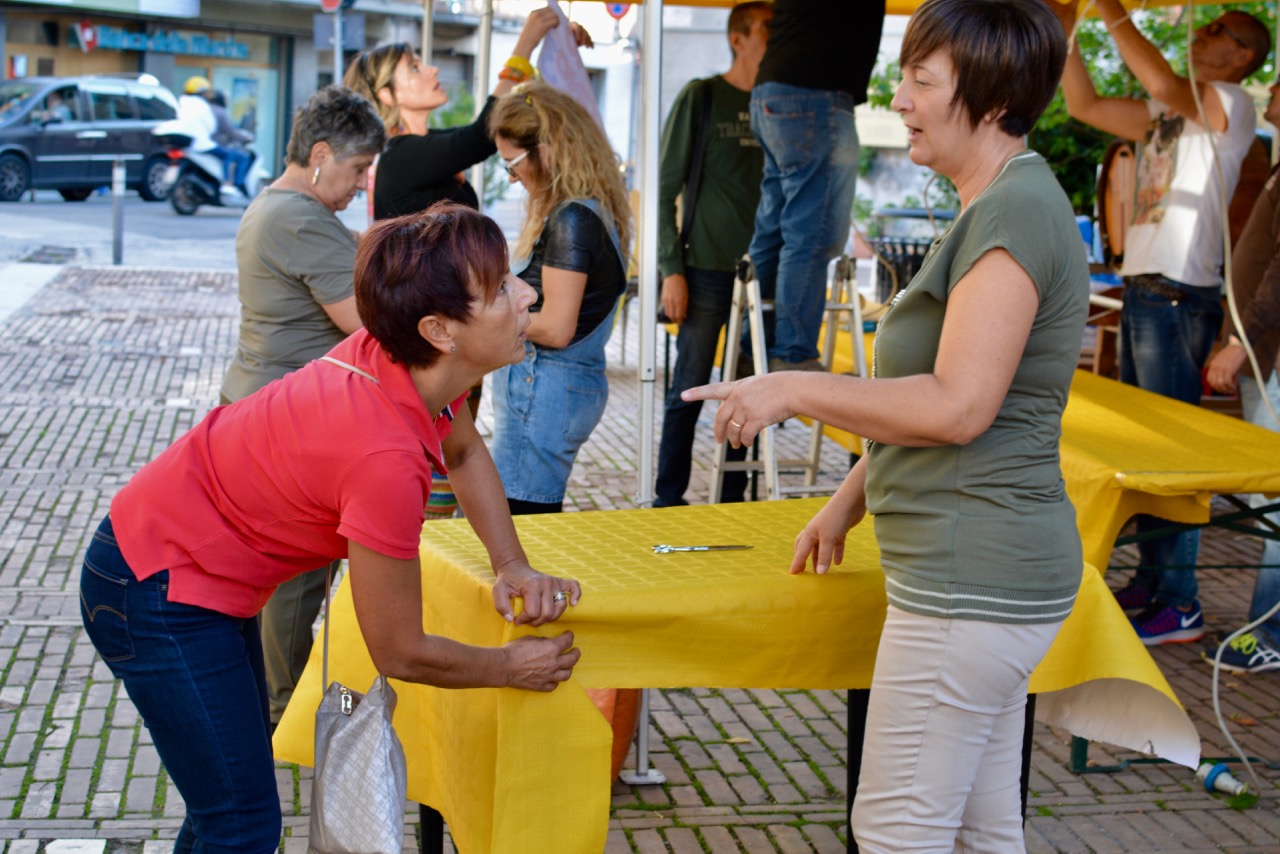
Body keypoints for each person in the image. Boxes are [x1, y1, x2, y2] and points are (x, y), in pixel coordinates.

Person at [687, 1, 1086, 847]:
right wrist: (850, 500)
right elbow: (950, 397)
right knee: (981, 830)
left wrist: (795, 386)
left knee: (898, 829)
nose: (897, 98)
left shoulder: (1011, 213)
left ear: (988, 98)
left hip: (971, 578)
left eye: (921, 80)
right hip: (983, 574)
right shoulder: (1003, 201)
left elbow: (958, 405)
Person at [78, 204, 582, 851]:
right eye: (504, 287)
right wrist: (508, 666)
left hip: (182, 575)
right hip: (151, 587)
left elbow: (461, 451)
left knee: (224, 811)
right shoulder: (383, 457)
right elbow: (398, 649)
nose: (528, 294)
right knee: (240, 823)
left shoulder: (400, 359)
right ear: (439, 330)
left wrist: (511, 563)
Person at [1049, 0, 1269, 645]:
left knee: (1167, 461)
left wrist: (1109, 12)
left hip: (1179, 292)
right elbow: (1086, 107)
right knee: (1141, 458)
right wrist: (1067, 35)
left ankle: (1180, 599)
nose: (1201, 32)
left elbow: (1156, 82)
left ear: (1243, 56)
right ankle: (1154, 586)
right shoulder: (1174, 109)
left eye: (1216, 29)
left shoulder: (1231, 101)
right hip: (1149, 288)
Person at [219, 85, 385, 729]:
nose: (359, 183)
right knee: (296, 571)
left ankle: (278, 699)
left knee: (284, 568)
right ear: (320, 154)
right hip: (286, 416)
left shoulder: (277, 204)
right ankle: (285, 708)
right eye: (357, 168)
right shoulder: (300, 218)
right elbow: (367, 324)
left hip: (262, 399)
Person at [487, 80, 631, 515]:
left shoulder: (572, 219)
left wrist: (478, 323)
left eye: (512, 163)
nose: (511, 177)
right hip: (548, 390)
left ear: (547, 151)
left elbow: (556, 326)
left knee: (523, 525)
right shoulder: (586, 210)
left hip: (543, 389)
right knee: (524, 521)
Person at [654, 1, 773, 508]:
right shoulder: (702, 97)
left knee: (754, 394)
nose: (777, 37)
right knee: (689, 389)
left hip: (762, 273)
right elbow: (663, 189)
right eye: (769, 28)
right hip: (702, 269)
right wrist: (670, 270)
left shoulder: (780, 103)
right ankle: (668, 499)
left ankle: (732, 498)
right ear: (738, 38)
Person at [343, 8, 589, 221]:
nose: (434, 70)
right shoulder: (400, 155)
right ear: (386, 95)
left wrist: (557, 50)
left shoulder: (418, 147)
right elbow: (482, 135)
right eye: (415, 68)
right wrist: (525, 45)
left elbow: (489, 128)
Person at [745, 0, 884, 373]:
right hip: (814, 94)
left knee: (775, 225)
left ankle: (753, 338)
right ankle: (792, 353)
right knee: (814, 231)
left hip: (775, 89)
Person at [1203, 78, 1280, 674]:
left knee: (1275, 502)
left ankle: (1269, 629)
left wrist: (1239, 342)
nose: (1275, 86)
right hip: (1265, 356)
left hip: (1270, 356)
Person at [178, 75, 250, 198]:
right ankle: (228, 183)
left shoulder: (182, 103)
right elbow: (214, 127)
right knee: (231, 155)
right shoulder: (204, 106)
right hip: (202, 143)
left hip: (187, 143)